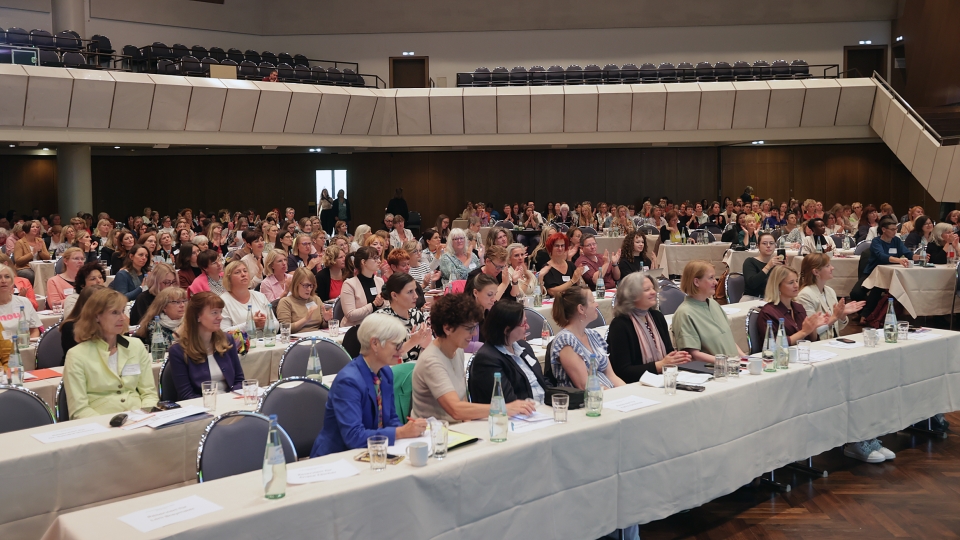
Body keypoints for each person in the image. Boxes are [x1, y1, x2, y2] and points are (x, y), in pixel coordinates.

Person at [309, 313, 428, 457]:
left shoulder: (385, 373)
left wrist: (409, 430)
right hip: (336, 457)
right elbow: (354, 437)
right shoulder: (348, 381)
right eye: (396, 345)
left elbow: (391, 419)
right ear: (375, 344)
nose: (401, 350)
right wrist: (401, 432)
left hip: (371, 451)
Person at [412, 293, 535, 423]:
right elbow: (456, 409)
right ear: (447, 328)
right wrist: (505, 407)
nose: (475, 333)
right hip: (433, 433)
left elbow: (462, 399)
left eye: (475, 327)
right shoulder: (431, 361)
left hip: (456, 428)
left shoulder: (457, 350)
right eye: (469, 328)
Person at [63, 288, 158, 419]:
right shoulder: (76, 355)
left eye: (123, 311)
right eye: (114, 312)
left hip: (140, 420)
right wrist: (108, 425)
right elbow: (79, 410)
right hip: (100, 425)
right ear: (96, 316)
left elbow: (149, 394)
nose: (122, 318)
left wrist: (145, 415)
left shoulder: (136, 346)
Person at [607, 273, 691, 382]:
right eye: (647, 289)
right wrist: (660, 365)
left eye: (653, 288)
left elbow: (668, 352)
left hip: (663, 379)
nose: (653, 292)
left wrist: (677, 358)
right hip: (635, 385)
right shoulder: (620, 325)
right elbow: (623, 371)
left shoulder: (657, 317)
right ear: (631, 295)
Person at [167, 291, 245, 400]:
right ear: (197, 317)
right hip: (201, 408)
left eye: (220, 312)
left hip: (231, 402)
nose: (220, 317)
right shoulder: (178, 351)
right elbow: (186, 395)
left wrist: (229, 400)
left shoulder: (227, 340)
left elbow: (239, 380)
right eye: (214, 313)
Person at [468, 300, 549, 404]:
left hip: (544, 408)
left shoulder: (524, 347)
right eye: (523, 324)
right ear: (506, 330)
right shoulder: (488, 359)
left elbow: (542, 381)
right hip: (523, 414)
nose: (527, 327)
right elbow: (507, 401)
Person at [549, 286, 627, 390]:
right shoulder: (565, 340)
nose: (597, 304)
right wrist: (615, 395)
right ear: (581, 308)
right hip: (588, 401)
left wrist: (628, 392)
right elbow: (585, 385)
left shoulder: (594, 335)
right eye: (593, 301)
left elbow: (612, 376)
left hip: (609, 394)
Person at [672, 260, 744, 361]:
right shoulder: (684, 313)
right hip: (713, 371)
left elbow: (728, 340)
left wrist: (745, 358)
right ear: (696, 282)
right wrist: (726, 362)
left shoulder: (713, 304)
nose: (716, 282)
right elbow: (693, 354)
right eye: (711, 278)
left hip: (733, 366)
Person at [796, 254, 865, 341]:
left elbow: (836, 327)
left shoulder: (830, 291)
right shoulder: (805, 295)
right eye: (827, 266)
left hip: (832, 342)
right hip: (816, 346)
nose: (832, 268)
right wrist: (835, 316)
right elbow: (810, 331)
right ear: (816, 272)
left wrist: (842, 315)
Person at [862, 216, 921, 316]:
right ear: (884, 229)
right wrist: (898, 260)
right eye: (892, 229)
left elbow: (907, 253)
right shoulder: (876, 241)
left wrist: (918, 257)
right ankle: (864, 314)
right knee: (857, 293)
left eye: (896, 229)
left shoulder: (896, 241)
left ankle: (869, 315)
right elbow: (881, 256)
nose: (895, 231)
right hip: (874, 272)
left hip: (891, 273)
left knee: (879, 288)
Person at [756, 266, 828, 344]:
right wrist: (804, 332)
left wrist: (812, 328)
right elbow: (774, 345)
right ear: (778, 286)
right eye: (791, 282)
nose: (796, 285)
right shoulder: (768, 313)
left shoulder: (798, 307)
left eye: (796, 281)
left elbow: (812, 340)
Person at [218, 261, 270, 333]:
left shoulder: (260, 296)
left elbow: (276, 325)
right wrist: (251, 324)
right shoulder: (223, 301)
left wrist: (266, 323)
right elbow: (224, 332)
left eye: (245, 271)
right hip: (240, 343)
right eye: (237, 272)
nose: (243, 274)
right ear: (229, 279)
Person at [340, 246, 386, 326]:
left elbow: (387, 307)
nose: (379, 261)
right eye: (375, 258)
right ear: (363, 262)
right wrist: (373, 304)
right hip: (355, 328)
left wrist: (381, 304)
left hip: (376, 326)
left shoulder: (380, 281)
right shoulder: (349, 284)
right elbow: (350, 315)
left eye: (378, 258)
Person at [277, 268, 332, 333]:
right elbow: (285, 329)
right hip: (297, 339)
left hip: (317, 336)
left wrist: (326, 320)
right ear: (296, 284)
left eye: (311, 285)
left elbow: (323, 326)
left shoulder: (316, 299)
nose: (309, 289)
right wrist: (305, 320)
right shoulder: (285, 302)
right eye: (305, 285)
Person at [0, 264, 42, 347]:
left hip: (23, 349)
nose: (3, 280)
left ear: (12, 281)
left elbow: (34, 330)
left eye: (7, 277)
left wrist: (27, 347)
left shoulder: (24, 302)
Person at [541, 232, 586, 297]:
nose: (560, 248)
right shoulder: (547, 268)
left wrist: (579, 279)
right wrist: (572, 281)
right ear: (551, 248)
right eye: (557, 246)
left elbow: (582, 286)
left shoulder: (571, 265)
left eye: (562, 245)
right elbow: (552, 292)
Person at [742, 232, 783, 300]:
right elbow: (752, 284)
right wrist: (768, 266)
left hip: (772, 298)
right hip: (752, 298)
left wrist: (786, 268)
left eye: (771, 243)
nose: (768, 246)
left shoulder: (777, 263)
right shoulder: (750, 261)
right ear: (758, 246)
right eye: (764, 243)